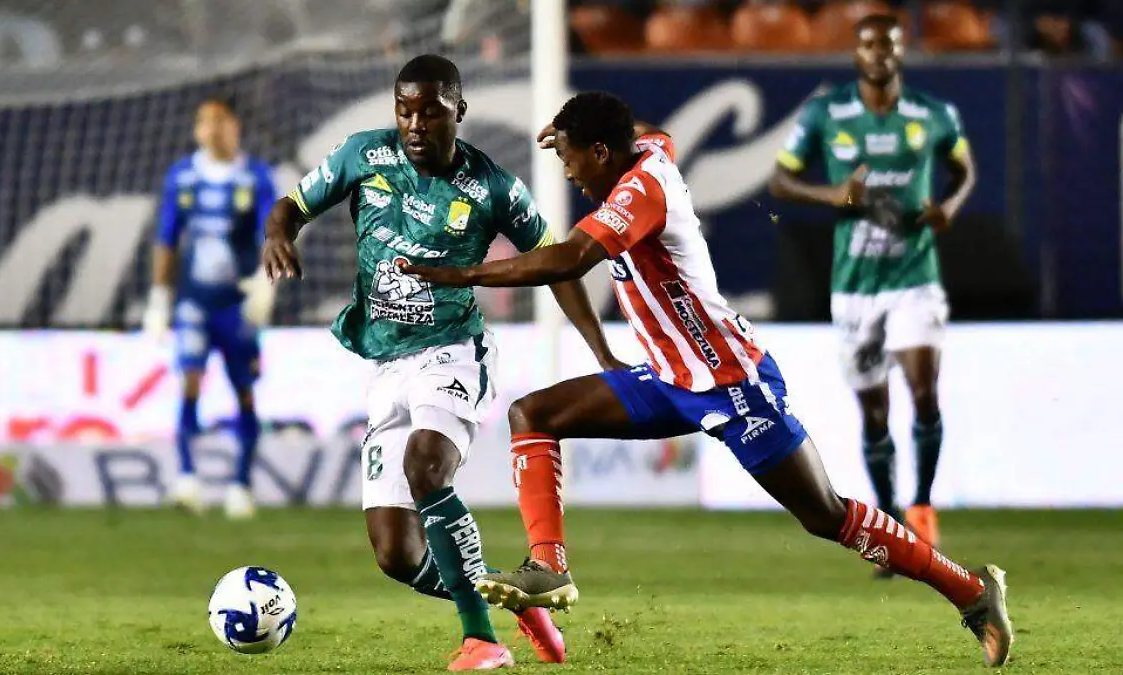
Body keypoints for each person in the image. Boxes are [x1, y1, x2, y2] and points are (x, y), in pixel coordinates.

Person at [400, 90, 1013, 668]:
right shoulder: (645, 149)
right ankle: (548, 566)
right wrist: (571, 127)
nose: (567, 171)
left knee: (824, 515)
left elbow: (570, 259)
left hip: (729, 381)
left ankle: (971, 590)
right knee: (533, 414)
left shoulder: (641, 190)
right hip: (670, 379)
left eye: (571, 157)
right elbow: (649, 131)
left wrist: (464, 275)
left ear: (602, 153)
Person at [261, 54, 621, 671]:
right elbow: (293, 203)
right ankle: (513, 603)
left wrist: (601, 350)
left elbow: (557, 262)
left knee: (426, 465)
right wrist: (278, 232)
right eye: (405, 111)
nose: (415, 124)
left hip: (453, 353)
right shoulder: (363, 155)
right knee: (395, 554)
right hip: (387, 365)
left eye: (431, 112)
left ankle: (482, 641)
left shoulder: (492, 187)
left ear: (459, 111)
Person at [767, 13, 977, 555]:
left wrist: (949, 207)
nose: (879, 53)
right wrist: (831, 196)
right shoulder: (825, 113)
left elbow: (964, 169)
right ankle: (890, 522)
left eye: (888, 44)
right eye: (869, 45)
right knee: (874, 412)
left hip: (915, 277)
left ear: (901, 51)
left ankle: (922, 507)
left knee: (924, 392)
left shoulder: (933, 114)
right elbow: (780, 179)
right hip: (855, 284)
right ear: (856, 53)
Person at [143, 97, 278, 520]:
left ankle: (241, 485)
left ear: (236, 125)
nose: (212, 128)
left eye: (220, 119)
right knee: (190, 380)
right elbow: (167, 237)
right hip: (195, 301)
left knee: (244, 390)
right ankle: (186, 478)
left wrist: (265, 284)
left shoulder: (256, 176)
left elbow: (270, 233)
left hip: (237, 304)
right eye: (204, 120)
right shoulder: (182, 176)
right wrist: (159, 297)